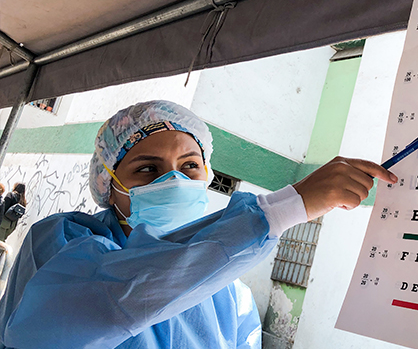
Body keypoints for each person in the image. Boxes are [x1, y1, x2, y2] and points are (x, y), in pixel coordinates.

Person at [0, 100, 397, 348]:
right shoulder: (60, 240)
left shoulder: (231, 295)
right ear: (109, 183)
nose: (173, 181)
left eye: (189, 166)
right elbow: (103, 303)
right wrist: (283, 208)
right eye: (147, 169)